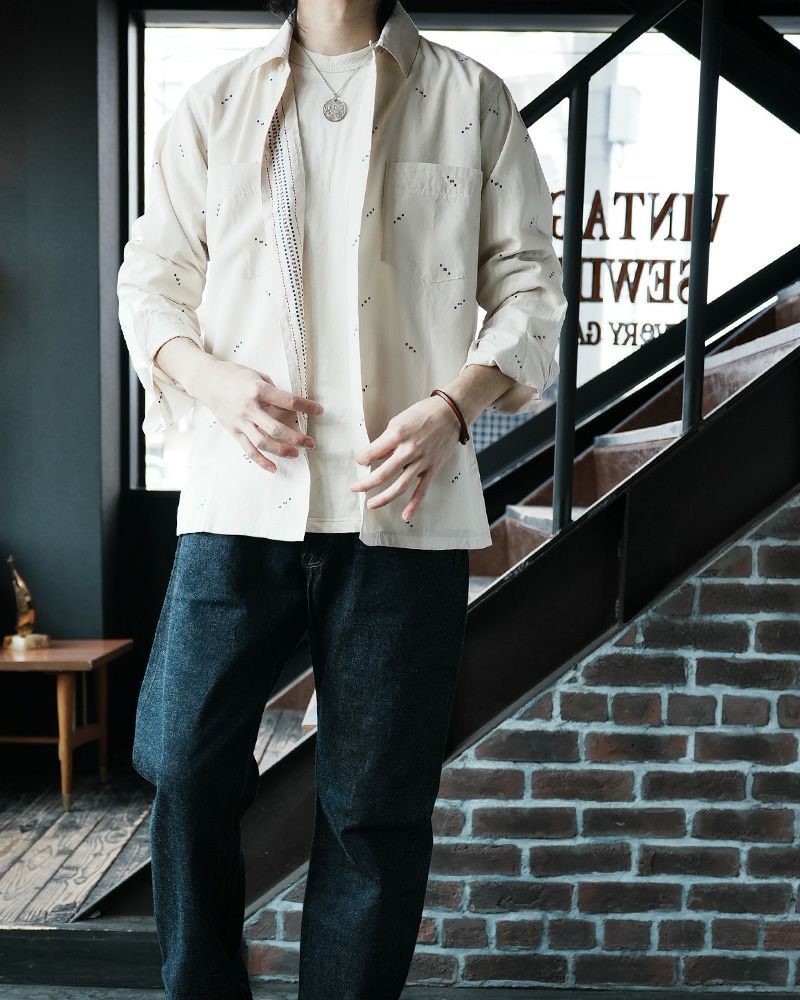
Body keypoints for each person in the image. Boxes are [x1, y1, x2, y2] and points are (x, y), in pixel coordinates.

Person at [117, 0, 567, 997]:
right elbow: (150, 286)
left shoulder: (470, 97)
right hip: (239, 497)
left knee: (374, 809)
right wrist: (216, 382)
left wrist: (454, 407)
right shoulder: (215, 104)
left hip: (403, 507)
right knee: (184, 764)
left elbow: (531, 287)